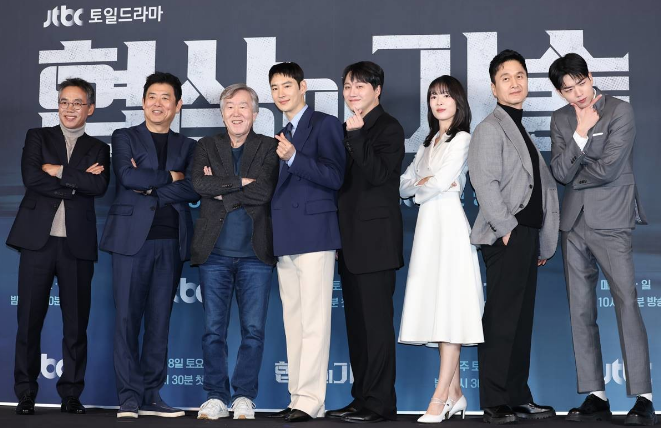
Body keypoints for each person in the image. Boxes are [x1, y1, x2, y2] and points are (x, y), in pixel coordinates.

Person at [548, 53, 655, 426]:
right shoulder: (561, 120)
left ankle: (643, 397)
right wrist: (580, 133)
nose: (577, 93)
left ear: (590, 77)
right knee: (580, 310)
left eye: (580, 83)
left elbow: (609, 167)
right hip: (573, 222)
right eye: (568, 89)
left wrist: (575, 161)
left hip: (612, 219)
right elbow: (558, 171)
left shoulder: (620, 111)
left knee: (627, 303)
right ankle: (596, 393)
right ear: (560, 93)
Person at [99, 72, 199, 419]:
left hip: (170, 241)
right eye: (152, 97)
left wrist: (151, 186)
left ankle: (152, 395)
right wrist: (171, 177)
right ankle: (128, 397)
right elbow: (127, 177)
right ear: (143, 102)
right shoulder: (124, 136)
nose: (158, 104)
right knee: (127, 320)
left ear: (178, 105)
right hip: (130, 241)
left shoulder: (189, 146)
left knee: (159, 322)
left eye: (165, 97)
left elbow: (193, 187)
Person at [467, 49, 559, 424]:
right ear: (494, 88)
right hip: (508, 235)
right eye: (506, 78)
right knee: (502, 321)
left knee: (520, 323)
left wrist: (539, 239)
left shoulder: (520, 128)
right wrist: (507, 230)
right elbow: (484, 183)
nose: (515, 82)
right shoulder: (490, 128)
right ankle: (495, 400)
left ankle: (518, 396)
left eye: (520, 75)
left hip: (527, 236)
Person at [8, 77, 109, 416]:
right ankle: (25, 393)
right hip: (37, 242)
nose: (69, 108)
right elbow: (32, 178)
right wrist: (76, 181)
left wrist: (59, 171)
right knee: (29, 321)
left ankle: (71, 394)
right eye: (64, 101)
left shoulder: (99, 148)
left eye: (77, 103)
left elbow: (99, 186)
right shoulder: (38, 137)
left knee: (76, 325)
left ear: (90, 109)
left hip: (76, 245)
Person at [190, 84, 278, 421]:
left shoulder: (268, 147)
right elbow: (200, 184)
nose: (236, 113)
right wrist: (242, 182)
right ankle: (215, 395)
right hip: (214, 253)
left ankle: (243, 396)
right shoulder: (206, 145)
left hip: (256, 254)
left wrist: (223, 190)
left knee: (253, 331)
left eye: (243, 106)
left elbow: (265, 190)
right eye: (230, 107)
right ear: (222, 113)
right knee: (213, 331)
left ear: (255, 113)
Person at [399, 75, 483, 423]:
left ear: (458, 102)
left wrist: (424, 184)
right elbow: (404, 185)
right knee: (437, 307)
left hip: (449, 226)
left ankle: (439, 398)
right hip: (427, 228)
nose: (438, 101)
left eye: (445, 95)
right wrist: (424, 184)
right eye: (433, 96)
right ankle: (456, 394)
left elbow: (436, 182)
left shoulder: (463, 138)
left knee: (450, 309)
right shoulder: (428, 141)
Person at [267, 62, 346, 423]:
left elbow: (335, 176)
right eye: (274, 88)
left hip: (315, 234)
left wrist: (295, 157)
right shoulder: (282, 132)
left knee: (314, 321)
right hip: (286, 236)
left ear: (303, 87)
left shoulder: (325, 124)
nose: (280, 93)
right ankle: (298, 395)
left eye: (287, 85)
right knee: (294, 321)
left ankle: (312, 399)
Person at [327, 61, 405, 423]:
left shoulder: (389, 128)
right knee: (357, 329)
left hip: (376, 244)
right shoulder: (346, 128)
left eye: (360, 86)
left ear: (377, 90)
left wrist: (356, 136)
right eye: (347, 86)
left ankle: (380, 404)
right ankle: (361, 398)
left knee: (376, 329)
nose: (352, 92)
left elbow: (378, 175)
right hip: (349, 243)